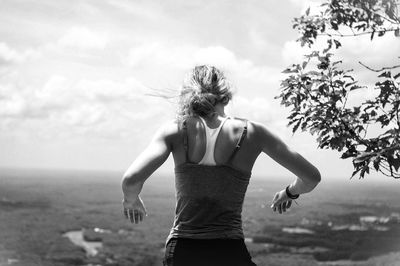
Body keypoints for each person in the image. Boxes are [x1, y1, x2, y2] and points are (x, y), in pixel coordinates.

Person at [121, 65, 321, 266]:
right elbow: (311, 178)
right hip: (230, 250)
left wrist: (132, 200)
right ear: (225, 94)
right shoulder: (253, 133)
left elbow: (131, 181)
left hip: (183, 251)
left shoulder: (176, 129)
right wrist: (290, 192)